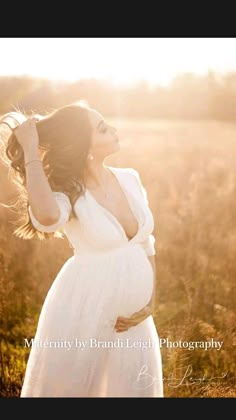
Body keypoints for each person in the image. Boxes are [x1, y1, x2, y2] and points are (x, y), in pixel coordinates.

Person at [0, 101, 163, 397]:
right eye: (102, 129)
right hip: (87, 308)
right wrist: (31, 151)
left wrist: (151, 302)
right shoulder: (68, 194)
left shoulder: (130, 178)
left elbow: (145, 243)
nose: (113, 129)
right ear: (84, 146)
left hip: (134, 322)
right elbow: (48, 217)